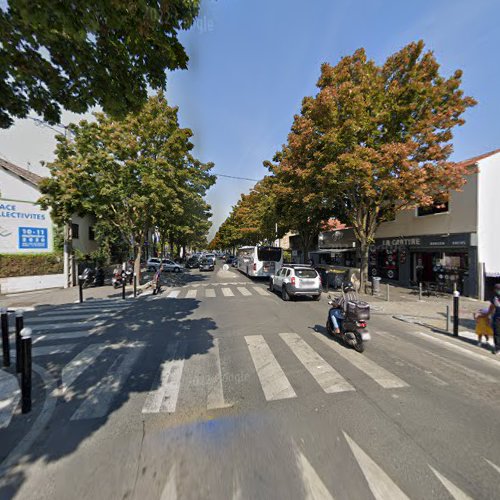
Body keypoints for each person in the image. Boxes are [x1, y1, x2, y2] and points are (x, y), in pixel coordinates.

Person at [486, 283, 500, 354]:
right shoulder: (495, 297)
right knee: (496, 333)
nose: (497, 291)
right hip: (497, 317)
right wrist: (488, 315)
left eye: (498, 289)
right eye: (497, 289)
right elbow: (492, 306)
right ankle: (497, 347)